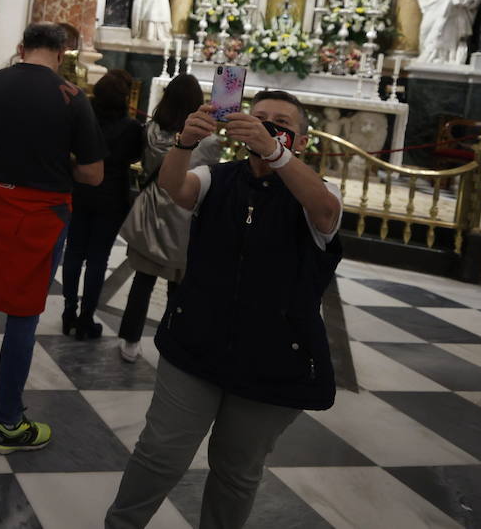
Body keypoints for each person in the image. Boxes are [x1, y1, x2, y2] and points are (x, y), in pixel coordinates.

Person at [105, 90, 343, 529]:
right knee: (161, 452)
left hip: (273, 357)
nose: (267, 125)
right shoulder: (220, 178)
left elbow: (326, 212)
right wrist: (183, 143)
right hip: (196, 342)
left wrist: (276, 154)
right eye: (259, 117)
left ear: (302, 142)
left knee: (236, 470)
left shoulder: (317, 193)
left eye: (281, 122)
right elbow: (174, 187)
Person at [0, 22, 105, 454]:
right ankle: (7, 422)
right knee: (23, 312)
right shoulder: (72, 98)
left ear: (21, 48)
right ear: (61, 53)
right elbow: (93, 174)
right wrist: (60, 161)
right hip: (42, 214)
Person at [116, 74, 223, 363]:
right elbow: (209, 179)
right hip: (183, 216)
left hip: (152, 209)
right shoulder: (209, 142)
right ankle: (174, 342)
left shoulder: (151, 130)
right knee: (180, 287)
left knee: (143, 281)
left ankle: (130, 340)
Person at [61, 70, 143, 340]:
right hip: (112, 198)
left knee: (73, 252)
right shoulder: (131, 128)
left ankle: (69, 311)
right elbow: (134, 156)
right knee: (98, 259)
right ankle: (87, 318)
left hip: (81, 190)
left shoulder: (86, 119)